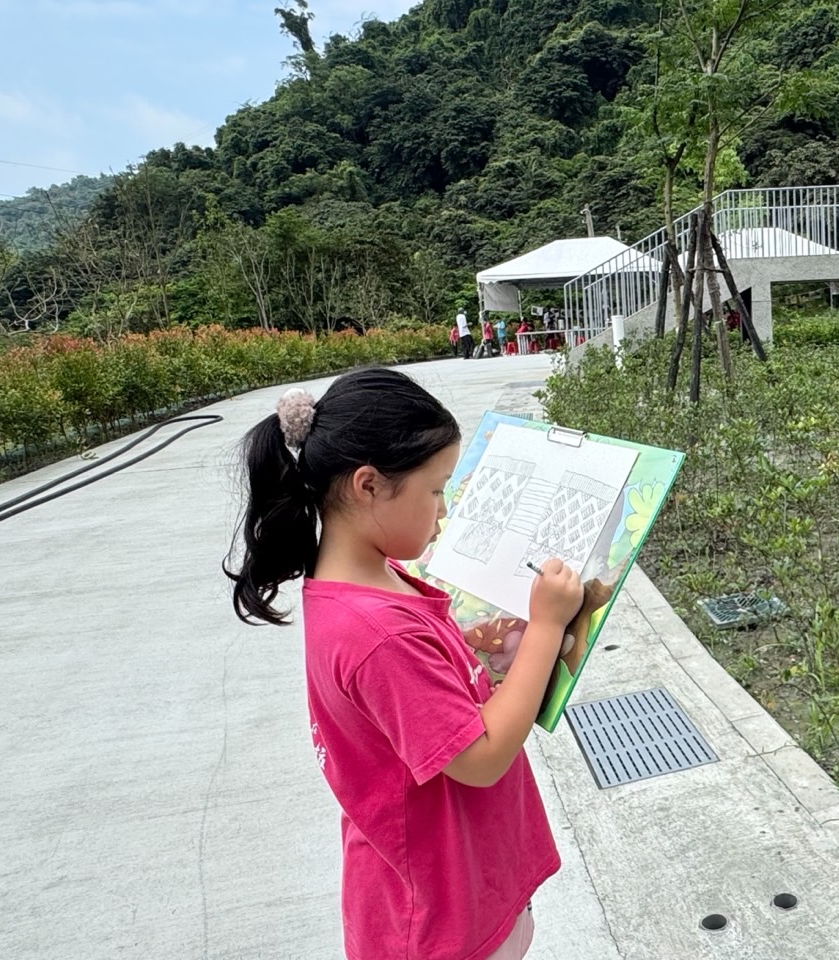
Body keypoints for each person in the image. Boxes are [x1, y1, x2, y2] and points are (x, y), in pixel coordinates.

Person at [224, 369, 583, 960]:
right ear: (368, 485)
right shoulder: (377, 634)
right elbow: (480, 758)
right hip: (439, 921)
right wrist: (546, 627)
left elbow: (420, 679)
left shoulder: (371, 581)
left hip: (459, 885)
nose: (445, 510)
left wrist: (471, 641)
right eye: (436, 489)